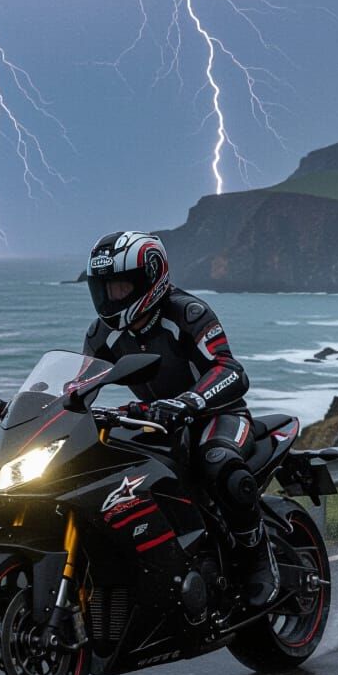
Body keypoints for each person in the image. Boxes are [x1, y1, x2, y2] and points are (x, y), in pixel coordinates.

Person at [82, 230, 279, 609]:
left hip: (218, 414)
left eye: (121, 287)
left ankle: (259, 560)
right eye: (104, 288)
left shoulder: (187, 313)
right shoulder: (102, 333)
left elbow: (231, 371)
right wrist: (46, 408)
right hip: (155, 422)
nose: (111, 297)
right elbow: (79, 382)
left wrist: (188, 401)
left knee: (220, 465)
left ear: (150, 280)